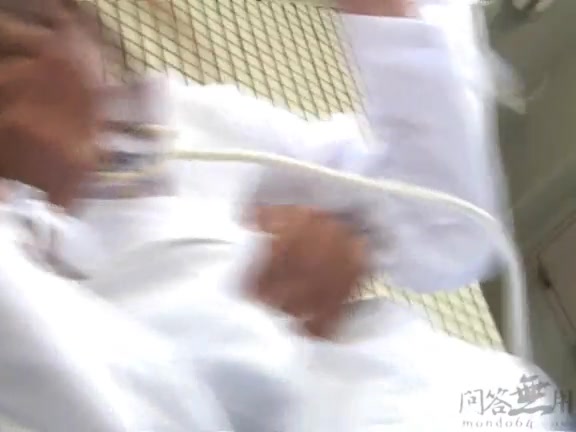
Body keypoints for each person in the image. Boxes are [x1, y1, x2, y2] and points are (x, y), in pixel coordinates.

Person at [0, 0, 569, 431]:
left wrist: (392, 19)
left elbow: (451, 234)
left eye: (42, 23)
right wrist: (27, 195)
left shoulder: (185, 124)